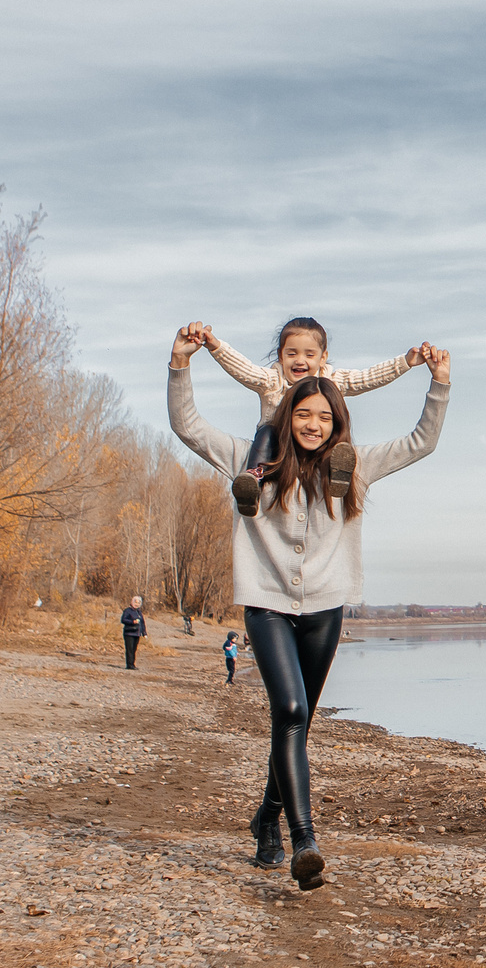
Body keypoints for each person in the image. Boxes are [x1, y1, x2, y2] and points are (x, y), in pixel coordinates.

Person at [168, 320, 450, 890]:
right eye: (302, 414)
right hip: (267, 607)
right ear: (287, 416)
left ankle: (265, 821)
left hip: (325, 611)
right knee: (293, 711)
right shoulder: (252, 461)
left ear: (336, 421)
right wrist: (180, 364)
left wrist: (438, 383)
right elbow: (188, 427)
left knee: (294, 723)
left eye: (323, 416)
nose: (313, 424)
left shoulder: (352, 468)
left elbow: (421, 442)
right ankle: (304, 841)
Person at [193, 317, 442, 517]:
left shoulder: (331, 380)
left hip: (316, 446)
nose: (299, 361)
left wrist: (405, 362)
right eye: (292, 354)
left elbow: (368, 378)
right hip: (278, 445)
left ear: (323, 357)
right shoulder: (271, 380)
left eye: (309, 355)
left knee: (336, 439)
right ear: (280, 355)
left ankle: (337, 475)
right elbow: (243, 369)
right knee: (266, 432)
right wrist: (215, 346)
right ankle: (253, 481)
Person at [121, 595, 146, 670]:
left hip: (137, 633)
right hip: (129, 633)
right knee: (130, 649)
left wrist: (144, 633)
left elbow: (142, 623)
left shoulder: (139, 612)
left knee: (134, 649)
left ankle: (132, 664)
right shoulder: (127, 611)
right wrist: (132, 622)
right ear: (132, 602)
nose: (136, 604)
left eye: (138, 603)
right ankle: (129, 665)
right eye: (135, 602)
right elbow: (123, 620)